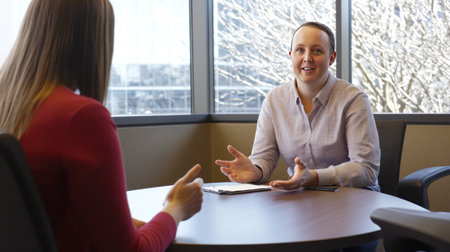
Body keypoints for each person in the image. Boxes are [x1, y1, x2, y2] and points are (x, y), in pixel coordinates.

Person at [0, 0, 203, 251]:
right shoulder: (82, 118)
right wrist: (176, 208)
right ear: (94, 42)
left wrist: (145, 224)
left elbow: (46, 212)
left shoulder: (9, 107)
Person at [215, 22, 380, 192]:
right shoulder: (274, 99)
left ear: (331, 58)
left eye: (317, 51)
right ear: (291, 56)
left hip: (354, 197)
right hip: (302, 198)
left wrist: (315, 177)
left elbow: (365, 169)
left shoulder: (354, 99)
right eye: (300, 50)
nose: (307, 58)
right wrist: (255, 172)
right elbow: (264, 158)